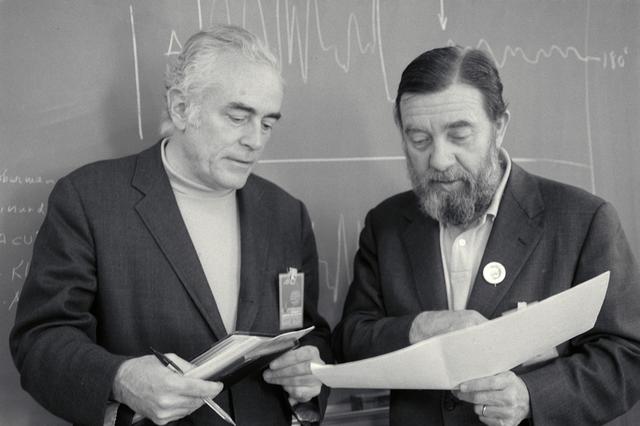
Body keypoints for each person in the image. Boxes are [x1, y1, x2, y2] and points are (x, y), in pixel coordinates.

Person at [10, 25, 331, 426]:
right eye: (238, 117)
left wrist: (311, 370)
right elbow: (41, 340)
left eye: (267, 124)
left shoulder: (286, 214)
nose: (256, 140)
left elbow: (310, 332)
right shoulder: (89, 199)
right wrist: (120, 379)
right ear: (181, 108)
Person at [332, 46, 640, 426]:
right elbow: (351, 339)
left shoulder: (585, 220)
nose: (439, 160)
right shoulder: (386, 224)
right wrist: (418, 328)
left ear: (500, 126)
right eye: (419, 139)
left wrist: (530, 396)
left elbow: (627, 355)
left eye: (459, 135)